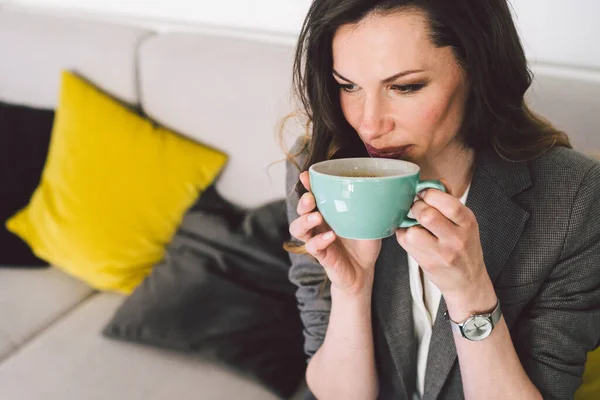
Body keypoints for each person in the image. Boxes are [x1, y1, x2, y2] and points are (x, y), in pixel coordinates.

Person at [283, 1, 600, 399]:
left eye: (405, 87)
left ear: (478, 70)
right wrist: (352, 291)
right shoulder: (323, 167)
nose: (369, 123)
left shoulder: (574, 198)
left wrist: (471, 292)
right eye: (348, 86)